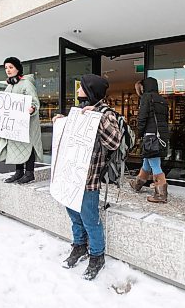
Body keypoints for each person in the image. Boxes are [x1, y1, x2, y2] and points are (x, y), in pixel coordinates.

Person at [52, 74, 122, 281]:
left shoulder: (105, 114)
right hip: (70, 176)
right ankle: (79, 246)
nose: (78, 91)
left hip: (88, 178)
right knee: (74, 217)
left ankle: (97, 256)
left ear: (91, 90)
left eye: (81, 87)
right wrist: (61, 122)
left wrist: (97, 118)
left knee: (90, 219)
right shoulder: (80, 111)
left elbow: (115, 142)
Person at [0, 57, 44, 184]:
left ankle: (29, 173)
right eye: (6, 68)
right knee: (15, 146)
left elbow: (35, 101)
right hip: (14, 125)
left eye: (11, 67)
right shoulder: (9, 87)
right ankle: (18, 172)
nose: (8, 70)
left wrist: (32, 109)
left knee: (28, 145)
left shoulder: (26, 84)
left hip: (27, 123)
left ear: (18, 68)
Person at [129, 77, 169, 203]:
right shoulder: (162, 100)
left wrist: (138, 134)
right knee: (148, 159)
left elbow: (142, 118)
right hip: (161, 135)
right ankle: (137, 184)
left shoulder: (146, 98)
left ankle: (161, 194)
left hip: (150, 135)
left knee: (155, 165)